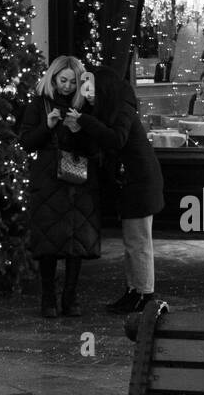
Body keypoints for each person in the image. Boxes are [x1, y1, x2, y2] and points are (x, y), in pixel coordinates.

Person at [70, 65, 165, 315]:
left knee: (138, 241)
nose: (86, 93)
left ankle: (144, 294)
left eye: (89, 87)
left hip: (139, 182)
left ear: (103, 87)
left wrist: (84, 121)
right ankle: (135, 290)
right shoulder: (110, 108)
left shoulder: (122, 107)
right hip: (131, 182)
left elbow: (116, 139)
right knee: (133, 241)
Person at [18, 56, 101, 320]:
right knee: (48, 242)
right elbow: (26, 142)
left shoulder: (87, 106)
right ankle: (48, 299)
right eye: (62, 80)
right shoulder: (39, 103)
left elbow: (96, 148)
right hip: (48, 179)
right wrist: (48, 126)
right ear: (53, 79)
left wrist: (79, 127)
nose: (66, 87)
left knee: (75, 241)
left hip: (78, 180)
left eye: (72, 82)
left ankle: (70, 297)